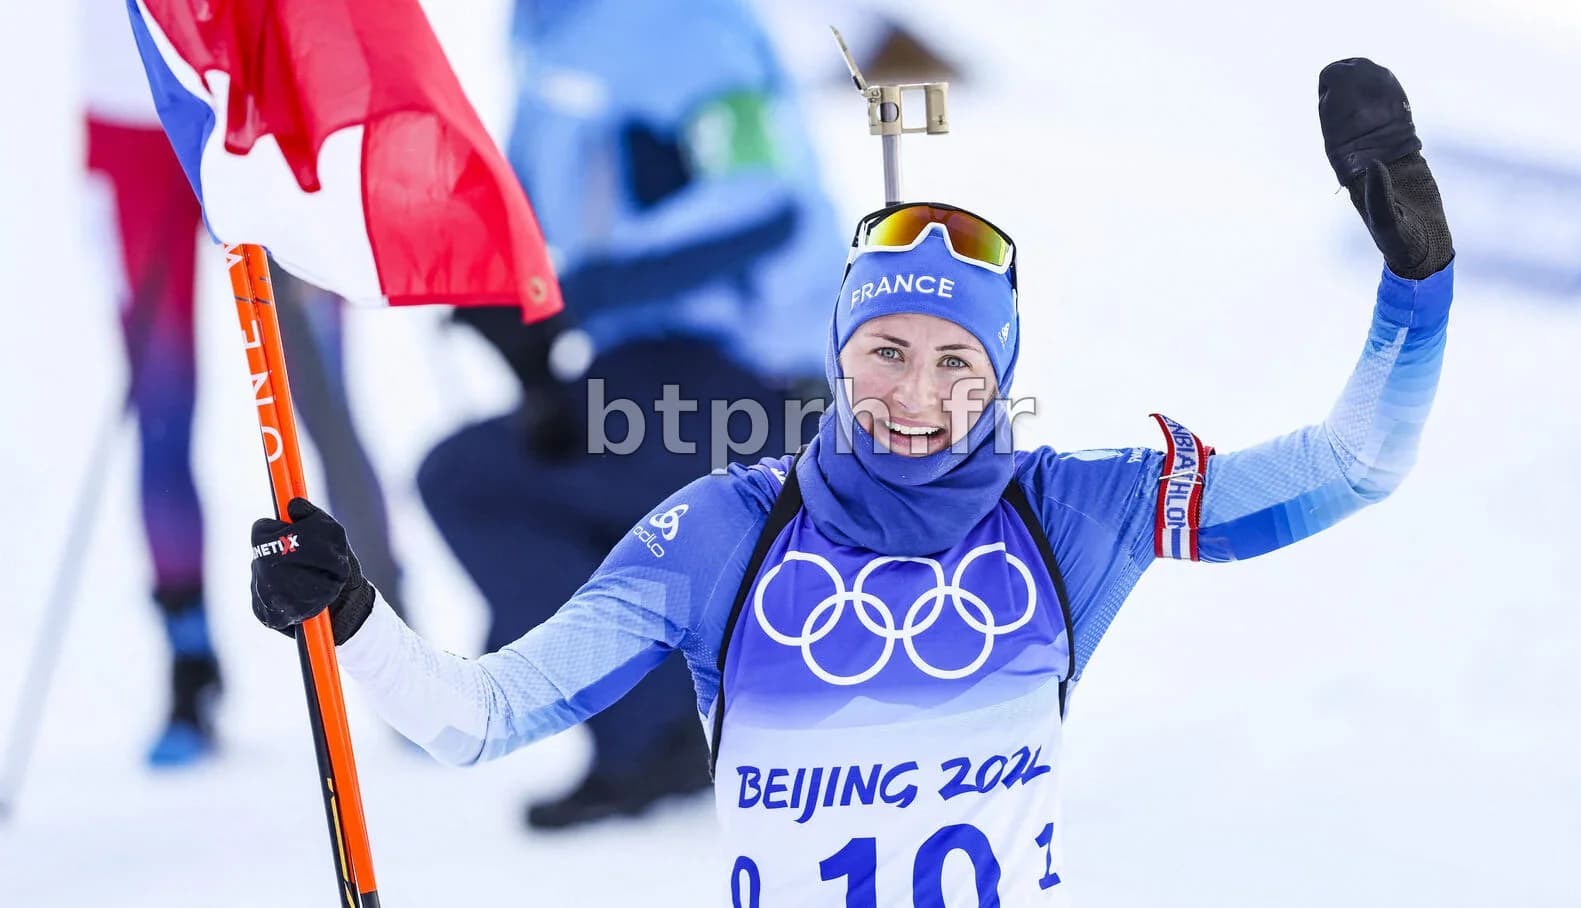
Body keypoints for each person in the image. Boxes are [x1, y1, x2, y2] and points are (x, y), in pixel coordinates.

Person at [248, 59, 1453, 903]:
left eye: (956, 362)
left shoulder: (1072, 511)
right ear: (837, 355)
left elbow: (1352, 466)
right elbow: (482, 716)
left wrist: (1417, 281)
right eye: (885, 352)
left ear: (1003, 370)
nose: (917, 397)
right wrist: (349, 617)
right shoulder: (724, 529)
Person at [415, 0, 842, 826]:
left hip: (746, 389)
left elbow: (763, 208)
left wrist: (578, 296)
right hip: (641, 375)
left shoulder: (685, 27)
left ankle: (662, 731)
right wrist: (514, 315)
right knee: (502, 475)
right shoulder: (552, 37)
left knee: (473, 482)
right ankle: (670, 718)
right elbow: (540, 218)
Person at [80, 11, 409, 767]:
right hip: (134, 113)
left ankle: (393, 636)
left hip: (260, 102)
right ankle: (188, 664)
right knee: (162, 402)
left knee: (323, 395)